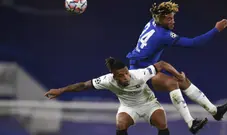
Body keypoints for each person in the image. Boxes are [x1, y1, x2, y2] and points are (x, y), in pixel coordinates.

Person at [126, 0, 227, 133]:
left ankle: (215, 111)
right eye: (169, 19)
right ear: (161, 19)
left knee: (183, 81)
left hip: (143, 67)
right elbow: (194, 43)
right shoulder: (163, 35)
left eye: (173, 18)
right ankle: (191, 123)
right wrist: (215, 29)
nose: (173, 21)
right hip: (139, 73)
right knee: (172, 83)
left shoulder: (153, 22)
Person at [45, 57, 202, 135]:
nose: (126, 77)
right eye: (121, 75)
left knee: (161, 123)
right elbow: (83, 85)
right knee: (121, 124)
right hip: (128, 107)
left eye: (126, 73)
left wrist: (177, 75)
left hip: (149, 104)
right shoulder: (106, 80)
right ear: (114, 76)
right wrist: (60, 90)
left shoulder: (139, 75)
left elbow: (161, 64)